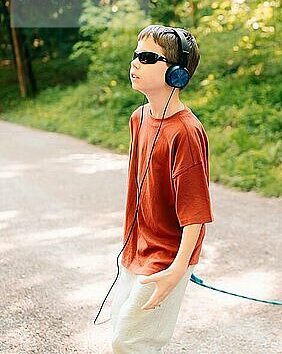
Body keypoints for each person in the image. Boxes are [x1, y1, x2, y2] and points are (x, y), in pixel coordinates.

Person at [110, 25, 214, 353]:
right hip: (135, 251)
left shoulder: (186, 132)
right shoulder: (138, 118)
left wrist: (178, 269)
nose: (135, 63)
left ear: (177, 73)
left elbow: (196, 212)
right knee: (123, 334)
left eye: (146, 57)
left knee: (130, 343)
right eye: (134, 55)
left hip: (167, 258)